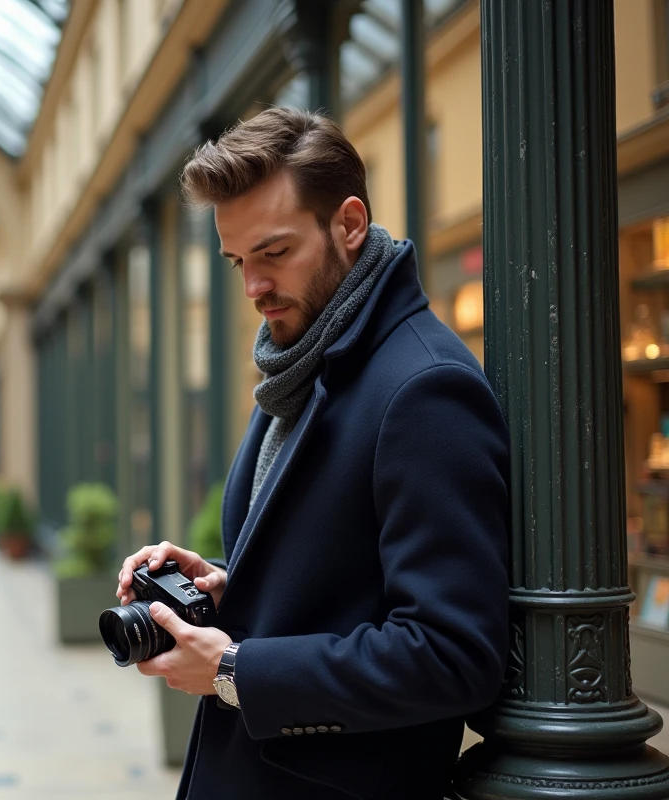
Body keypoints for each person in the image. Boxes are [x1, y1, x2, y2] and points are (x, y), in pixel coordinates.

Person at [116, 108, 509, 799]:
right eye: (238, 262)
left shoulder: (423, 388)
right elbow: (344, 581)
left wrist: (237, 671)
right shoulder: (304, 362)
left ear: (350, 224)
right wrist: (221, 582)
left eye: (273, 253)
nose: (253, 288)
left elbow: (454, 655)